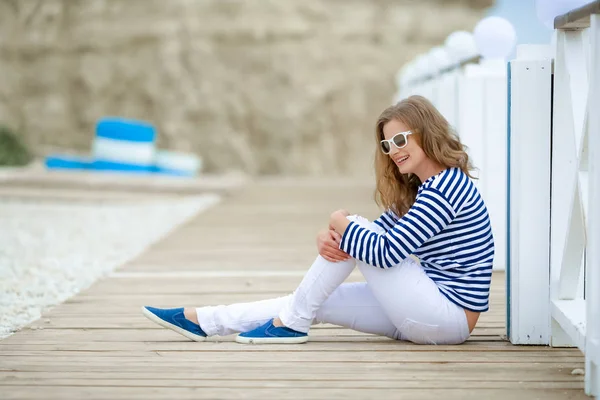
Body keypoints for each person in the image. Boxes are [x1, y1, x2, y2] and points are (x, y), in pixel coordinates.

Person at [142, 95, 494, 345]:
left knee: (355, 226)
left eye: (401, 139)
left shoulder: (445, 187)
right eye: (388, 145)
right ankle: (205, 320)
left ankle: (290, 324)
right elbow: (379, 236)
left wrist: (338, 221)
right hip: (425, 312)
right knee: (311, 300)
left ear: (426, 132)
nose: (394, 150)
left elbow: (385, 253)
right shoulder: (426, 189)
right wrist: (330, 236)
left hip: (446, 317)